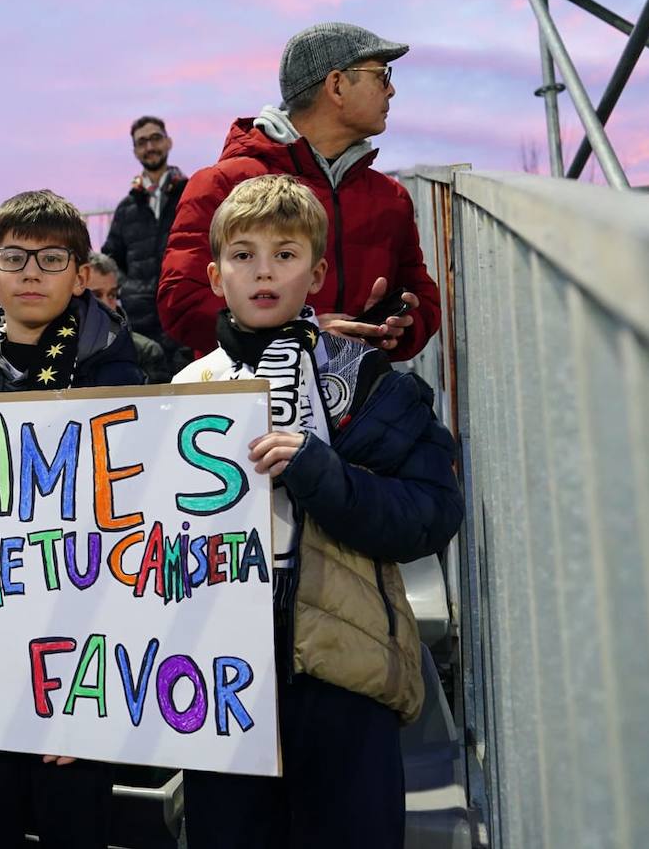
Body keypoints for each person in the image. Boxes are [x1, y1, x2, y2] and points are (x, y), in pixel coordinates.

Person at [171, 174, 462, 848]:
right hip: (220, 683)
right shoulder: (180, 392)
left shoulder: (370, 381)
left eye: (285, 252)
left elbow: (429, 515)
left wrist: (320, 471)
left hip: (345, 672)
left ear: (318, 271)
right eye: (242, 255)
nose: (263, 270)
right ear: (215, 276)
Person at [0, 190, 143, 847]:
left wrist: (86, 696)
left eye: (51, 258)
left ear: (81, 274)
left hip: (78, 671)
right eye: (14, 257)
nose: (30, 272)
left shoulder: (128, 371)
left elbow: (138, 541)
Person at [159, 22, 441, 360]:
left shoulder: (391, 198)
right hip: (257, 404)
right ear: (336, 85)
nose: (391, 90)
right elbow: (181, 301)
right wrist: (302, 335)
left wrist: (394, 327)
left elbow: (423, 296)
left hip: (359, 403)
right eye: (382, 75)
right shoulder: (220, 184)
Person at [102, 115, 190, 373]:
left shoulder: (191, 194)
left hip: (183, 315)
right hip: (141, 321)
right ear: (135, 150)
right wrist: (130, 289)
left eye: (155, 138)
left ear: (168, 142)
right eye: (142, 142)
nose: (149, 147)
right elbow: (109, 260)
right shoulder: (126, 208)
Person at [88, 251, 168, 383]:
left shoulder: (147, 351)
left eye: (112, 295)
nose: (107, 304)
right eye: (96, 295)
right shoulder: (58, 347)